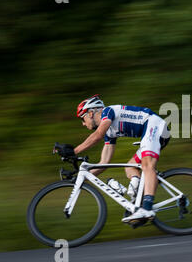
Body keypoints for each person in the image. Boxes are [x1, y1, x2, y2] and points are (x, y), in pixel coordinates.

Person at [73, 94, 170, 223]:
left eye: (82, 118)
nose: (83, 124)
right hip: (151, 130)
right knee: (130, 167)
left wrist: (74, 151)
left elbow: (97, 135)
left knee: (147, 165)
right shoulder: (109, 131)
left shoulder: (107, 112)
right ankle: (139, 202)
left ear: (90, 113)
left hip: (153, 125)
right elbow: (104, 163)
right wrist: (80, 177)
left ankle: (146, 208)